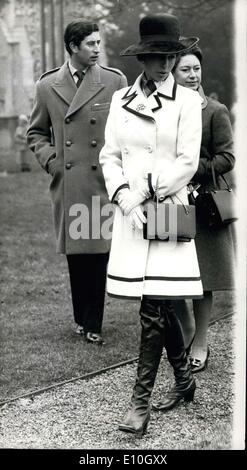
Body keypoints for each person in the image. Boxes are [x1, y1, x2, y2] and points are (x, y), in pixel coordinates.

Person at [99, 14, 202, 436]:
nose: (165, 65)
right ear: (143, 57)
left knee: (153, 308)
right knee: (156, 304)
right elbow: (109, 156)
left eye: (170, 56)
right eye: (157, 56)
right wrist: (123, 197)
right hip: (133, 214)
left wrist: (142, 191)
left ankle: (138, 402)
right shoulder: (122, 99)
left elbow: (187, 161)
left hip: (166, 211)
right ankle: (183, 379)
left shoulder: (188, 102)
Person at [27, 19, 127, 344]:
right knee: (77, 256)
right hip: (69, 182)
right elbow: (36, 133)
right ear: (73, 47)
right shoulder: (47, 86)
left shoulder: (113, 81)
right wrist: (53, 162)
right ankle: (80, 319)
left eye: (98, 43)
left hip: (101, 181)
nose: (97, 49)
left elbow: (126, 128)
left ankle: (92, 323)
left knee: (98, 252)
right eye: (91, 44)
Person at [172, 46, 235, 372]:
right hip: (169, 201)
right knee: (170, 275)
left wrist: (191, 167)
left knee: (202, 278)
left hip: (203, 203)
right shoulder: (162, 110)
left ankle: (200, 342)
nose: (193, 75)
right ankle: (188, 331)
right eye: (185, 69)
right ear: (173, 73)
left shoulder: (214, 110)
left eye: (196, 68)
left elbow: (228, 158)